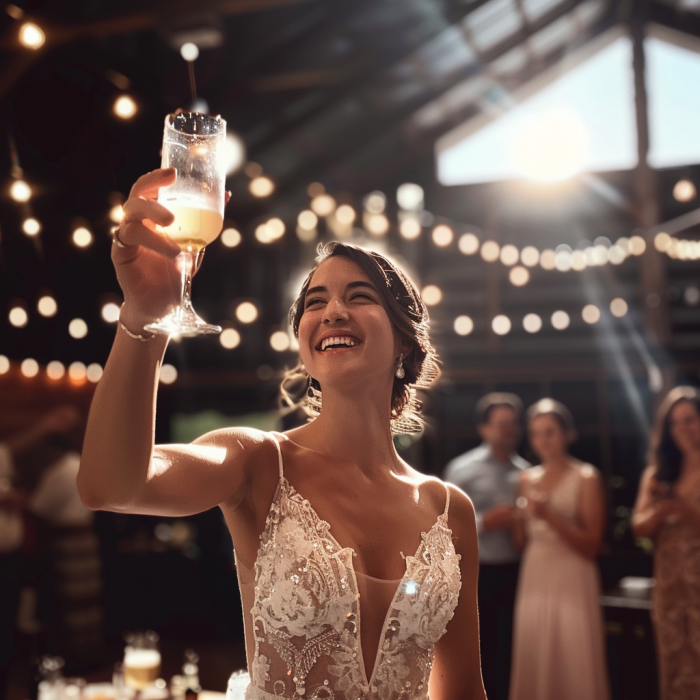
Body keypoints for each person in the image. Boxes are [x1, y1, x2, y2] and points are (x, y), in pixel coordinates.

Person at [78, 168, 486, 700]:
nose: (333, 310)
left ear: (406, 346)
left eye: (359, 296)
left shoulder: (449, 509)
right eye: (315, 302)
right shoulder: (257, 461)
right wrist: (145, 318)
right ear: (303, 343)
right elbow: (110, 486)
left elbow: (462, 691)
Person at [509, 398, 609, 700]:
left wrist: (548, 515)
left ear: (567, 433)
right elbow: (521, 542)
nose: (542, 440)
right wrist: (516, 519)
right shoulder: (526, 479)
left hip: (573, 572)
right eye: (536, 433)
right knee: (536, 647)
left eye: (549, 431)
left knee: (573, 648)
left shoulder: (587, 477)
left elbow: (592, 545)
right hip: (534, 571)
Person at [443, 393, 529, 700]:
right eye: (502, 424)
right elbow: (445, 525)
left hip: (520, 573)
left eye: (513, 424)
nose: (509, 430)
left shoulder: (527, 472)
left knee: (514, 650)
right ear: (484, 429)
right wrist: (485, 522)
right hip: (477, 577)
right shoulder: (461, 470)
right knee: (481, 651)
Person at [0, 407, 79, 700]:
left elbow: (37, 507)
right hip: (18, 558)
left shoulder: (64, 469)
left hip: (27, 558)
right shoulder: (70, 466)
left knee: (17, 626)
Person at [632, 386, 700, 700]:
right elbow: (638, 527)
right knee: (673, 664)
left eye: (689, 419)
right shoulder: (657, 473)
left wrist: (688, 513)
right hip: (670, 584)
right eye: (675, 423)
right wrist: (661, 511)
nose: (683, 428)